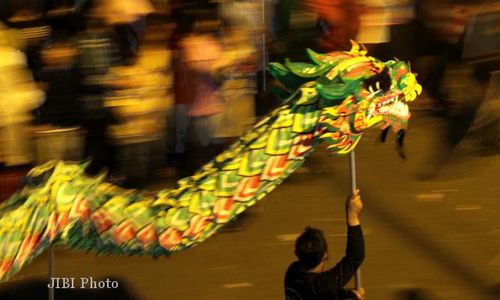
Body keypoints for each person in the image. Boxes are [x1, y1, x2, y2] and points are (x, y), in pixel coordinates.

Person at [284, 189, 365, 300]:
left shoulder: (292, 273)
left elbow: (327, 291)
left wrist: (348, 295)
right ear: (325, 256)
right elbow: (355, 257)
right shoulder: (320, 286)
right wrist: (352, 216)